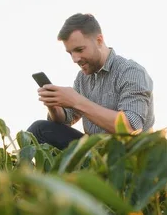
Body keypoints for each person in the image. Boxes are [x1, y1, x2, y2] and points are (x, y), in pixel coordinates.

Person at [27, 13, 155, 149]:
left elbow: (132, 127)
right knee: (39, 130)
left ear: (99, 40)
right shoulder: (82, 78)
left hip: (128, 156)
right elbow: (67, 120)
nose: (75, 59)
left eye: (79, 50)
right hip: (94, 153)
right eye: (70, 53)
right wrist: (53, 104)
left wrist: (77, 101)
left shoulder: (130, 72)